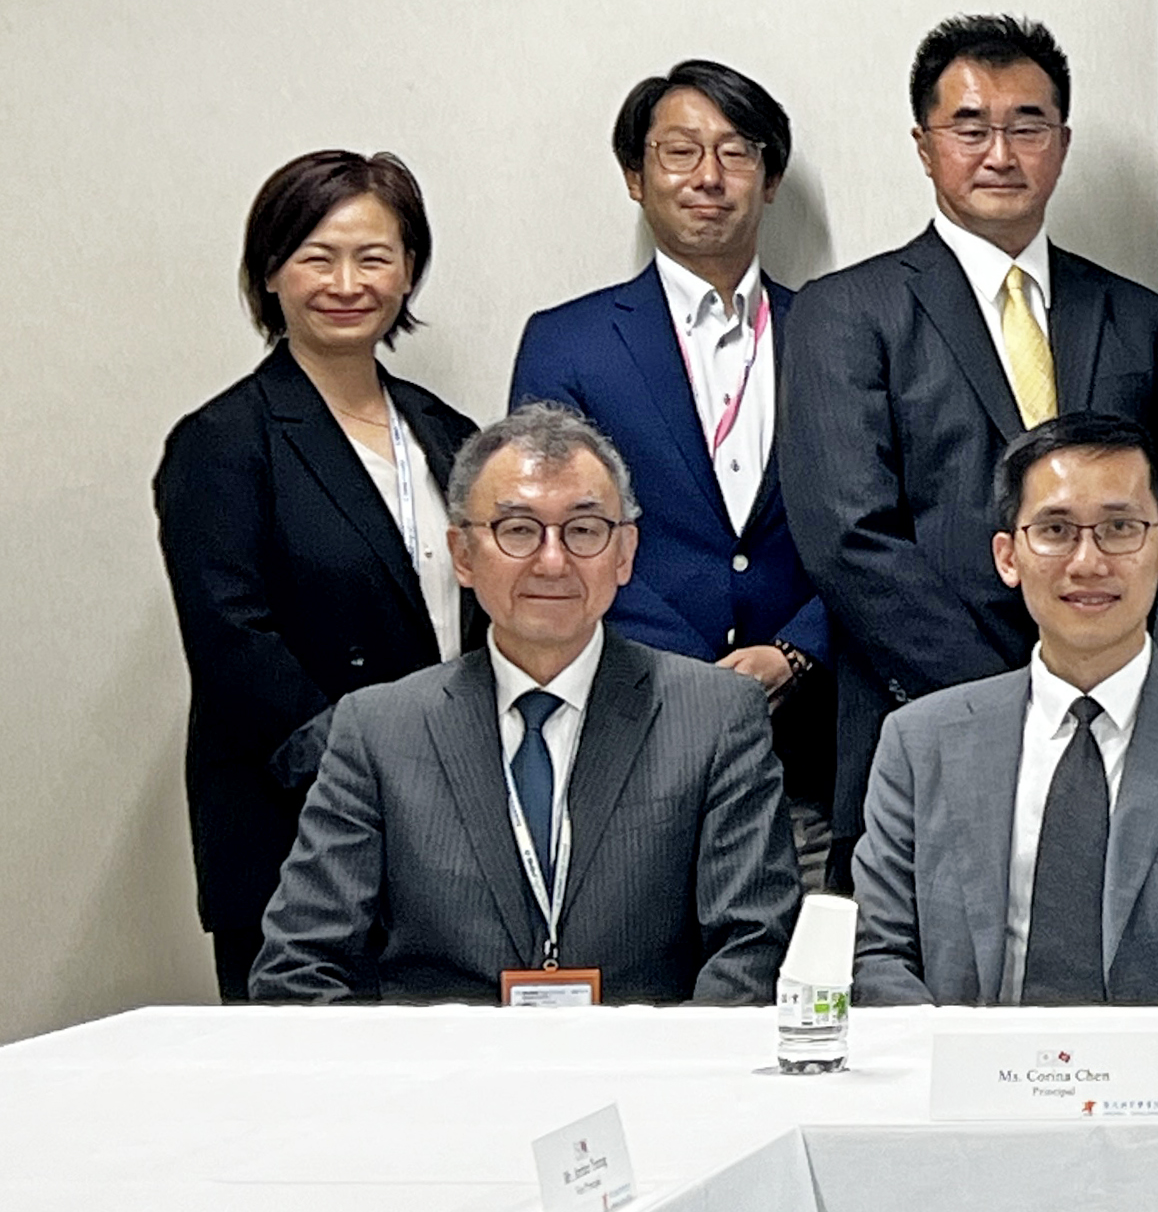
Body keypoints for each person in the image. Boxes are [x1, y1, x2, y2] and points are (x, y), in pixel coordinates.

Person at [781, 14, 1158, 878]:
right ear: (925, 146)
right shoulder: (845, 313)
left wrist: (1099, 686)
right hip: (923, 725)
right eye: (969, 127)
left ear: (1063, 143)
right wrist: (1014, 696)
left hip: (1119, 733)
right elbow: (848, 538)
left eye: (1027, 126)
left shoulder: (1141, 319)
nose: (999, 152)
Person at [250, 405, 799, 1003]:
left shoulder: (716, 716)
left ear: (625, 554)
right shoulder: (378, 731)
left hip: (643, 1079)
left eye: (584, 530)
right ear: (462, 554)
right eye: (518, 530)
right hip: (441, 1085)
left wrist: (658, 1088)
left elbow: (753, 948)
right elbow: (300, 967)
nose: (553, 561)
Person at [852, 413, 1158, 1007]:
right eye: (1056, 530)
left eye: (1120, 527)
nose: (1088, 562)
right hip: (964, 1087)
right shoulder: (919, 743)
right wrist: (965, 1075)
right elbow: (877, 954)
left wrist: (1140, 1086)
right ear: (1008, 557)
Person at [156, 151, 480, 1000]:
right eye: (316, 256)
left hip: (451, 830)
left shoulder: (449, 434)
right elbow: (234, 642)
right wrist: (373, 776)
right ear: (270, 274)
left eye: (374, 257)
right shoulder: (224, 441)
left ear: (409, 271)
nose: (347, 282)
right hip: (296, 831)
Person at [508, 60, 833, 861]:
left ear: (771, 178)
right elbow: (554, 533)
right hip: (631, 725)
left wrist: (796, 652)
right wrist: (697, 680)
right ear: (635, 177)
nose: (709, 177)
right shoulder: (567, 341)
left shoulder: (834, 330)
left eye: (736, 152)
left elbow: (874, 517)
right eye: (680, 151)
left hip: (811, 741)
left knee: (805, 970)